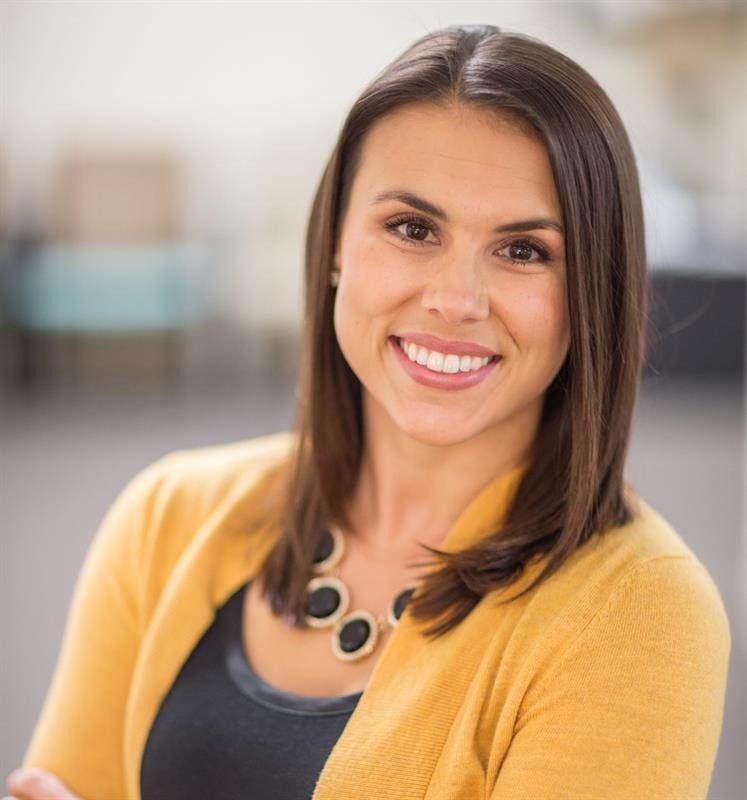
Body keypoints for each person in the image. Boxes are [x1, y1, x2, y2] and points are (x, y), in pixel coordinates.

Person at [5, 23, 731, 800]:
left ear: (592, 288)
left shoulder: (640, 615)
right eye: (412, 229)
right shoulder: (166, 518)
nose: (455, 301)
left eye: (523, 251)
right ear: (335, 248)